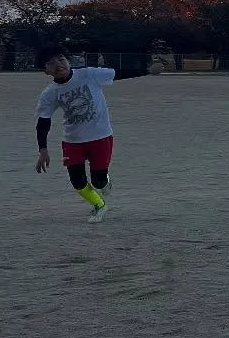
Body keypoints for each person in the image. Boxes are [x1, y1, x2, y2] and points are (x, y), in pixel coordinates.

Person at [33, 46, 160, 222]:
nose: (58, 65)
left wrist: (147, 71)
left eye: (61, 59)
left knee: (99, 181)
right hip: (72, 141)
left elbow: (117, 73)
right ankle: (99, 204)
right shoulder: (49, 94)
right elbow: (43, 122)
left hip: (100, 137)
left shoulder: (88, 74)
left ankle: (105, 182)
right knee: (77, 181)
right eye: (51, 63)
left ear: (68, 60)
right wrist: (43, 150)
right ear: (46, 71)